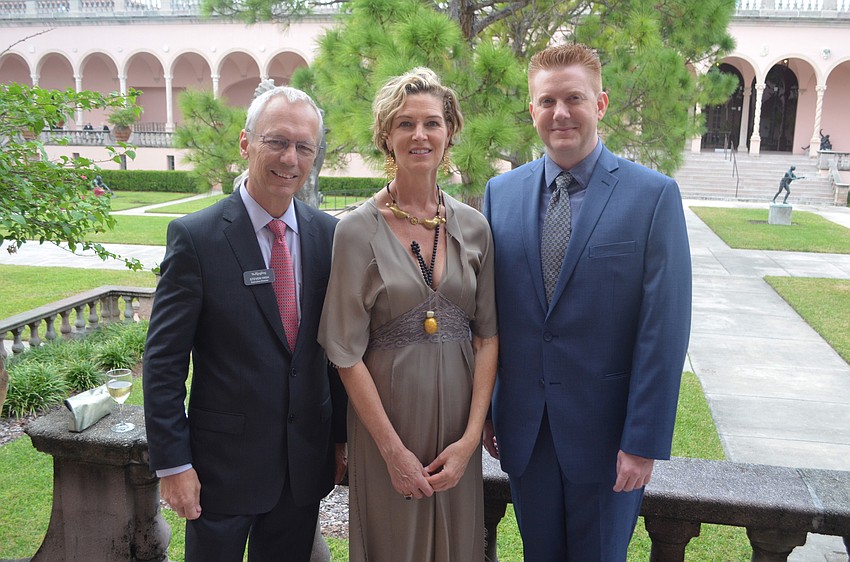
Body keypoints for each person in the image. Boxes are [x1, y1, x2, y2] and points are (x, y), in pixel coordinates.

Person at [482, 43, 692, 561]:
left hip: (608, 439)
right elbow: (488, 316)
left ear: (600, 104)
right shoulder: (499, 194)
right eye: (547, 101)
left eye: (573, 98)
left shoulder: (652, 196)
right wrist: (487, 410)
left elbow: (663, 331)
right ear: (532, 109)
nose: (560, 113)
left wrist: (642, 441)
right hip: (526, 433)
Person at [143, 85, 347, 562]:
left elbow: (335, 351)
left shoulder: (329, 236)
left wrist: (338, 437)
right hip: (221, 472)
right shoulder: (196, 238)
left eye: (304, 147)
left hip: (302, 468)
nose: (290, 158)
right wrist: (173, 464)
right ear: (245, 143)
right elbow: (164, 362)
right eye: (277, 141)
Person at [318, 67, 498, 561]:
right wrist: (392, 452)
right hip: (387, 431)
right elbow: (345, 353)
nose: (420, 134)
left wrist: (469, 441)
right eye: (405, 123)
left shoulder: (475, 228)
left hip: (457, 434)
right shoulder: (355, 231)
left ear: (449, 132)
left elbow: (487, 338)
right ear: (385, 136)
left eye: (432, 123)